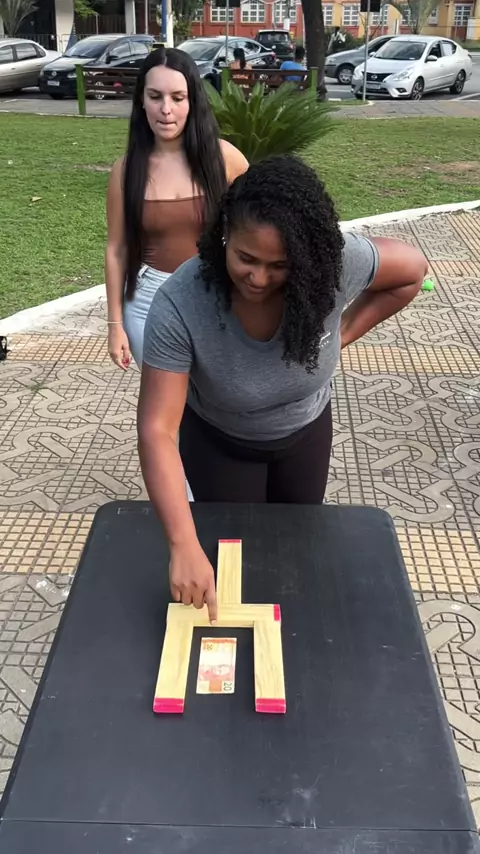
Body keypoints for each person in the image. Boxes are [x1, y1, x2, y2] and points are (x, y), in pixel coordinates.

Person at [137, 154, 428, 623]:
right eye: (246, 259)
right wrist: (183, 544)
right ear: (224, 234)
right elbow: (157, 430)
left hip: (305, 437)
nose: (259, 278)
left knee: (296, 554)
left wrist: (340, 335)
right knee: (235, 562)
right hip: (221, 445)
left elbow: (412, 271)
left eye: (280, 265)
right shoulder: (181, 303)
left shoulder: (331, 266)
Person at [105, 46, 248, 371]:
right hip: (147, 302)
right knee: (165, 399)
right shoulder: (125, 171)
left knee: (213, 396)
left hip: (213, 295)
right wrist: (115, 325)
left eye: (178, 97)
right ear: (141, 100)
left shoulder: (224, 158)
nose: (166, 109)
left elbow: (261, 222)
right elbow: (116, 249)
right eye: (155, 96)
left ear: (192, 100)